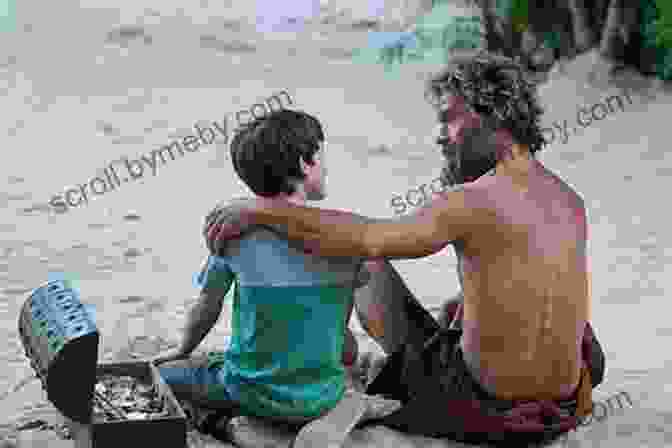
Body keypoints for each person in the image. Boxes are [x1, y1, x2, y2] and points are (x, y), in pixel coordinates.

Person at [202, 51, 606, 445]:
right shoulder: (569, 200)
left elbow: (368, 239)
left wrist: (262, 211)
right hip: (563, 403)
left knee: (368, 261)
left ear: (493, 116)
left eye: (448, 120)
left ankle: (329, 384)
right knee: (460, 307)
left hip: (481, 406)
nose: (439, 136)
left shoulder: (472, 199)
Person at [150, 110, 397, 437]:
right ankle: (348, 405)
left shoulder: (233, 236)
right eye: (322, 156)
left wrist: (182, 349)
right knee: (340, 353)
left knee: (167, 376)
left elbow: (206, 308)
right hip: (321, 398)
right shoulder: (345, 241)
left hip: (247, 393)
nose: (325, 166)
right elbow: (358, 331)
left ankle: (226, 425)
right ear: (305, 162)